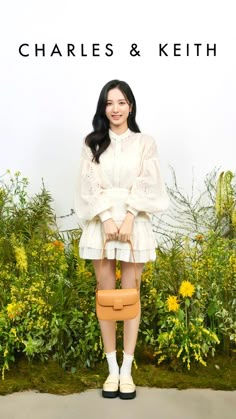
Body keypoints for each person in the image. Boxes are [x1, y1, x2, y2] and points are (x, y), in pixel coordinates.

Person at [74, 79, 170, 399]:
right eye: (109, 103)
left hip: (135, 222)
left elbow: (150, 183)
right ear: (103, 108)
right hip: (101, 223)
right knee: (105, 295)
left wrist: (128, 217)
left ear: (131, 105)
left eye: (121, 102)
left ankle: (127, 370)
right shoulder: (93, 142)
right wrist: (104, 218)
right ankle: (111, 369)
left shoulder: (145, 143)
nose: (115, 109)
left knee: (130, 296)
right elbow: (88, 186)